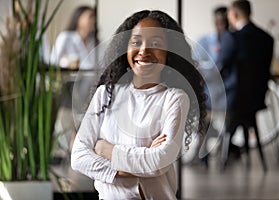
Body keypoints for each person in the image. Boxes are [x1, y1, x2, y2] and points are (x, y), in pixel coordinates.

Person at [71, 10, 206, 199]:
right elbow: (78, 158)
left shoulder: (175, 98)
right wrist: (139, 162)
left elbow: (159, 161)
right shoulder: (105, 94)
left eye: (156, 44)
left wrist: (105, 150)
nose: (143, 50)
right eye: (136, 42)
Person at [221, 0, 274, 169]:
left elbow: (220, 67)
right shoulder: (267, 39)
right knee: (239, 112)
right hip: (257, 98)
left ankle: (208, 155)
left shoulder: (232, 37)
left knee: (201, 100)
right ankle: (231, 146)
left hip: (233, 99)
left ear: (234, 14)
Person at [198, 6, 237, 111]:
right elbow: (196, 64)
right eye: (220, 22)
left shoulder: (235, 41)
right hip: (210, 86)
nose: (224, 26)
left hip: (230, 87)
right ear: (215, 22)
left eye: (226, 22)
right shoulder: (205, 41)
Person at [50, 6, 97, 70]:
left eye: (94, 17)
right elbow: (53, 62)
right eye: (90, 17)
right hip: (69, 79)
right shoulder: (65, 37)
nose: (94, 20)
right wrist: (66, 62)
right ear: (78, 18)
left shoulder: (94, 41)